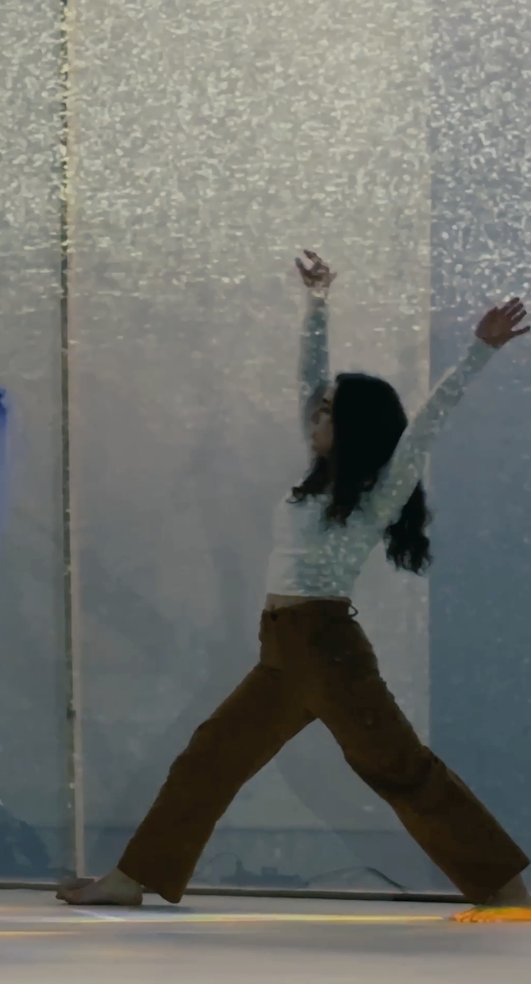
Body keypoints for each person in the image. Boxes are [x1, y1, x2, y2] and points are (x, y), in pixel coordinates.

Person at [60, 251, 531, 922]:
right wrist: (318, 305)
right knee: (209, 759)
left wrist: (478, 355)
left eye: (331, 410)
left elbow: (426, 424)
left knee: (400, 768)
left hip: (328, 649)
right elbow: (311, 379)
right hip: (283, 652)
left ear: (355, 426)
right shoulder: (317, 479)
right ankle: (134, 877)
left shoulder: (375, 491)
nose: (316, 411)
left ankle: (505, 887)